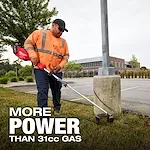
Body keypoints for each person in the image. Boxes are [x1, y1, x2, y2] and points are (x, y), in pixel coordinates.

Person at [24, 19, 69, 114]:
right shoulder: (39, 33)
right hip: (41, 69)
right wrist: (33, 55)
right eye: (59, 29)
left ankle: (57, 107)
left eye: (62, 30)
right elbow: (28, 43)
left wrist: (60, 66)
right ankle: (43, 115)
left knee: (56, 90)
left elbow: (66, 56)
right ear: (53, 25)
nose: (61, 32)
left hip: (56, 71)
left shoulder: (63, 42)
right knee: (42, 91)